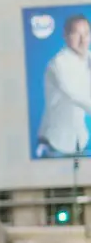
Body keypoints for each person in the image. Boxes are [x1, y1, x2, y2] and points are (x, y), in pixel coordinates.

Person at [36, 13, 91, 157]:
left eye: (86, 33)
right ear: (65, 37)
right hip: (56, 144)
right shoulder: (59, 64)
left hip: (80, 141)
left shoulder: (89, 58)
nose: (83, 40)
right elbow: (76, 95)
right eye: (76, 34)